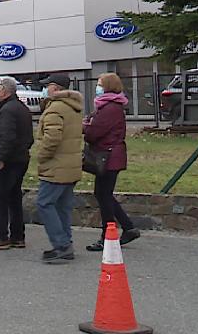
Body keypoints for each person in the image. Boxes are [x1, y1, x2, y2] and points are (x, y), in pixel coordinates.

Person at [84, 72, 140, 251]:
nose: (97, 87)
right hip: (110, 155)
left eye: (100, 84)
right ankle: (128, 227)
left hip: (108, 156)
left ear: (107, 86)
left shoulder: (109, 108)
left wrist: (85, 126)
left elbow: (94, 132)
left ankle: (108, 235)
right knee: (103, 194)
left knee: (103, 195)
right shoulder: (110, 106)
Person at [0, 76, 35, 251]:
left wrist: (1, 158)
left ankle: (1, 235)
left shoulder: (7, 111)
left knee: (0, 197)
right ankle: (18, 236)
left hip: (9, 161)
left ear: (5, 90)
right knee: (14, 198)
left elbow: (7, 137)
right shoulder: (20, 108)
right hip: (20, 158)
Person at [36, 73, 84, 264]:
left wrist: (41, 156)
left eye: (48, 86)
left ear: (55, 88)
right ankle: (66, 243)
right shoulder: (73, 107)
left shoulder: (55, 109)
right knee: (62, 206)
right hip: (70, 165)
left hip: (56, 166)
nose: (46, 89)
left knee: (44, 203)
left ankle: (61, 244)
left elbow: (52, 138)